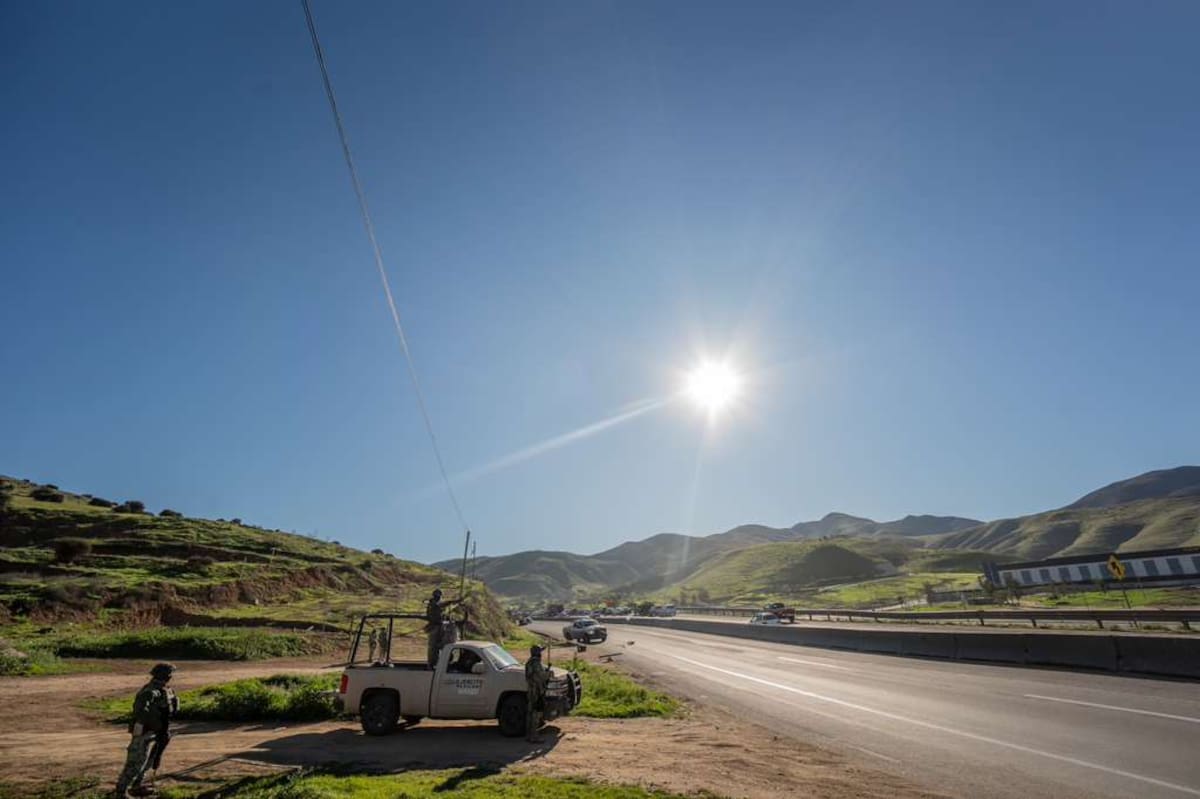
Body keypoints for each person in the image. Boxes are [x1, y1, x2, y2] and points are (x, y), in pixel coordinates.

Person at [115, 662, 179, 798]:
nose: (171, 677)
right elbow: (141, 711)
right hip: (145, 731)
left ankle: (136, 785)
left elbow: (171, 709)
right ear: (165, 675)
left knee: (151, 759)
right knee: (136, 762)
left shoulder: (166, 690)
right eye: (170, 674)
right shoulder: (150, 692)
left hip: (158, 730)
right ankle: (121, 791)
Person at [424, 588, 462, 668]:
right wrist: (452, 602)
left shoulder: (436, 603)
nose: (438, 597)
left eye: (438, 596)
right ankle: (432, 663)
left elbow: (443, 607)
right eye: (436, 596)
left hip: (440, 626)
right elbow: (441, 605)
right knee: (433, 647)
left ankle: (442, 662)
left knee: (443, 644)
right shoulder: (433, 603)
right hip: (434, 627)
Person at [524, 645, 550, 743]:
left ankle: (529, 735)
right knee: (535, 713)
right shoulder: (535, 663)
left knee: (530, 712)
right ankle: (534, 736)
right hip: (536, 690)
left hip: (531, 690)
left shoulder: (529, 662)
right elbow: (542, 676)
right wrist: (549, 673)